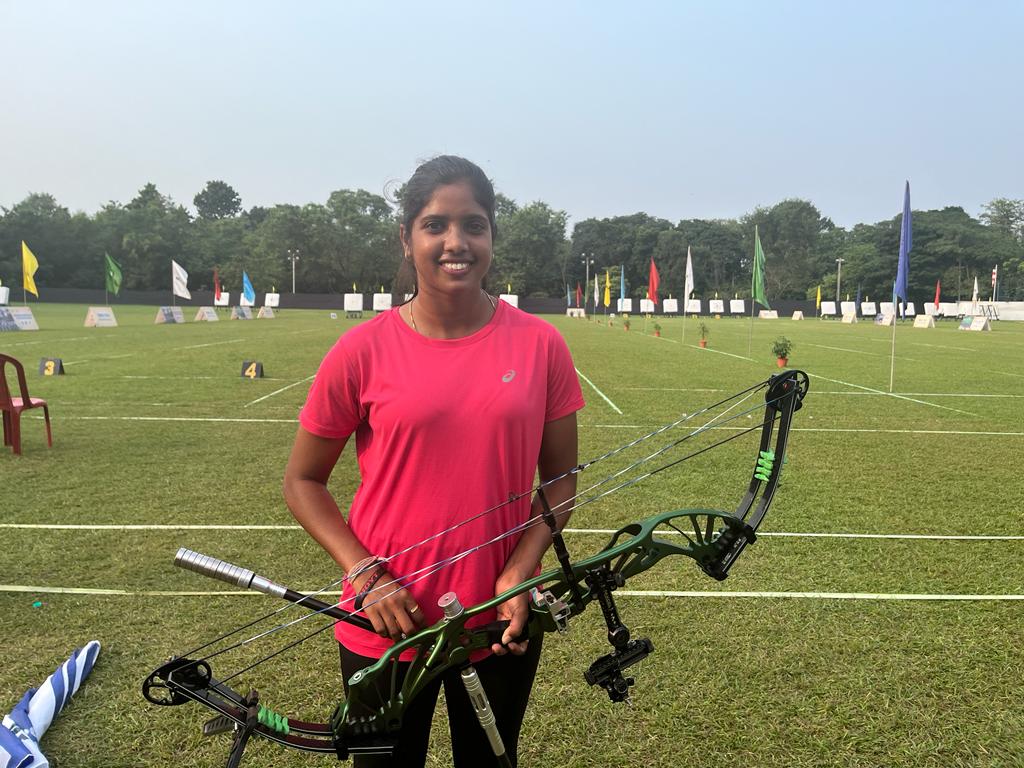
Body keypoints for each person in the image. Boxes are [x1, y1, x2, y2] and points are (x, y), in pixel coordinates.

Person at [283, 155, 584, 767]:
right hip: (384, 621)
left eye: (474, 225)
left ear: (491, 235)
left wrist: (520, 571)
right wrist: (366, 575)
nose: (456, 242)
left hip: (499, 621)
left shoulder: (540, 344)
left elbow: (561, 480)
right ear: (406, 237)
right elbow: (302, 481)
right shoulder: (361, 349)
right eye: (435, 225)